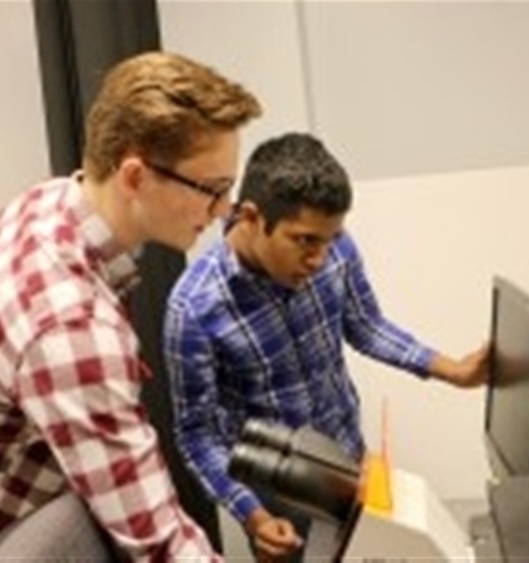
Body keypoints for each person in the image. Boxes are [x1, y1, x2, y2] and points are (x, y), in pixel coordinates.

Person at [162, 132, 489, 562]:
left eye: (331, 239)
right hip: (275, 501)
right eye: (305, 241)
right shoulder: (194, 310)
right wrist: (253, 516)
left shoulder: (334, 248)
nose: (320, 259)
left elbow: (366, 326)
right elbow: (197, 436)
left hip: (349, 465)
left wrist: (454, 370)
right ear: (251, 217)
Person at [0, 51, 261, 561]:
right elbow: (160, 543)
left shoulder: (51, 202)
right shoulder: (73, 327)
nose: (225, 210)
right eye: (212, 189)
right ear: (136, 176)